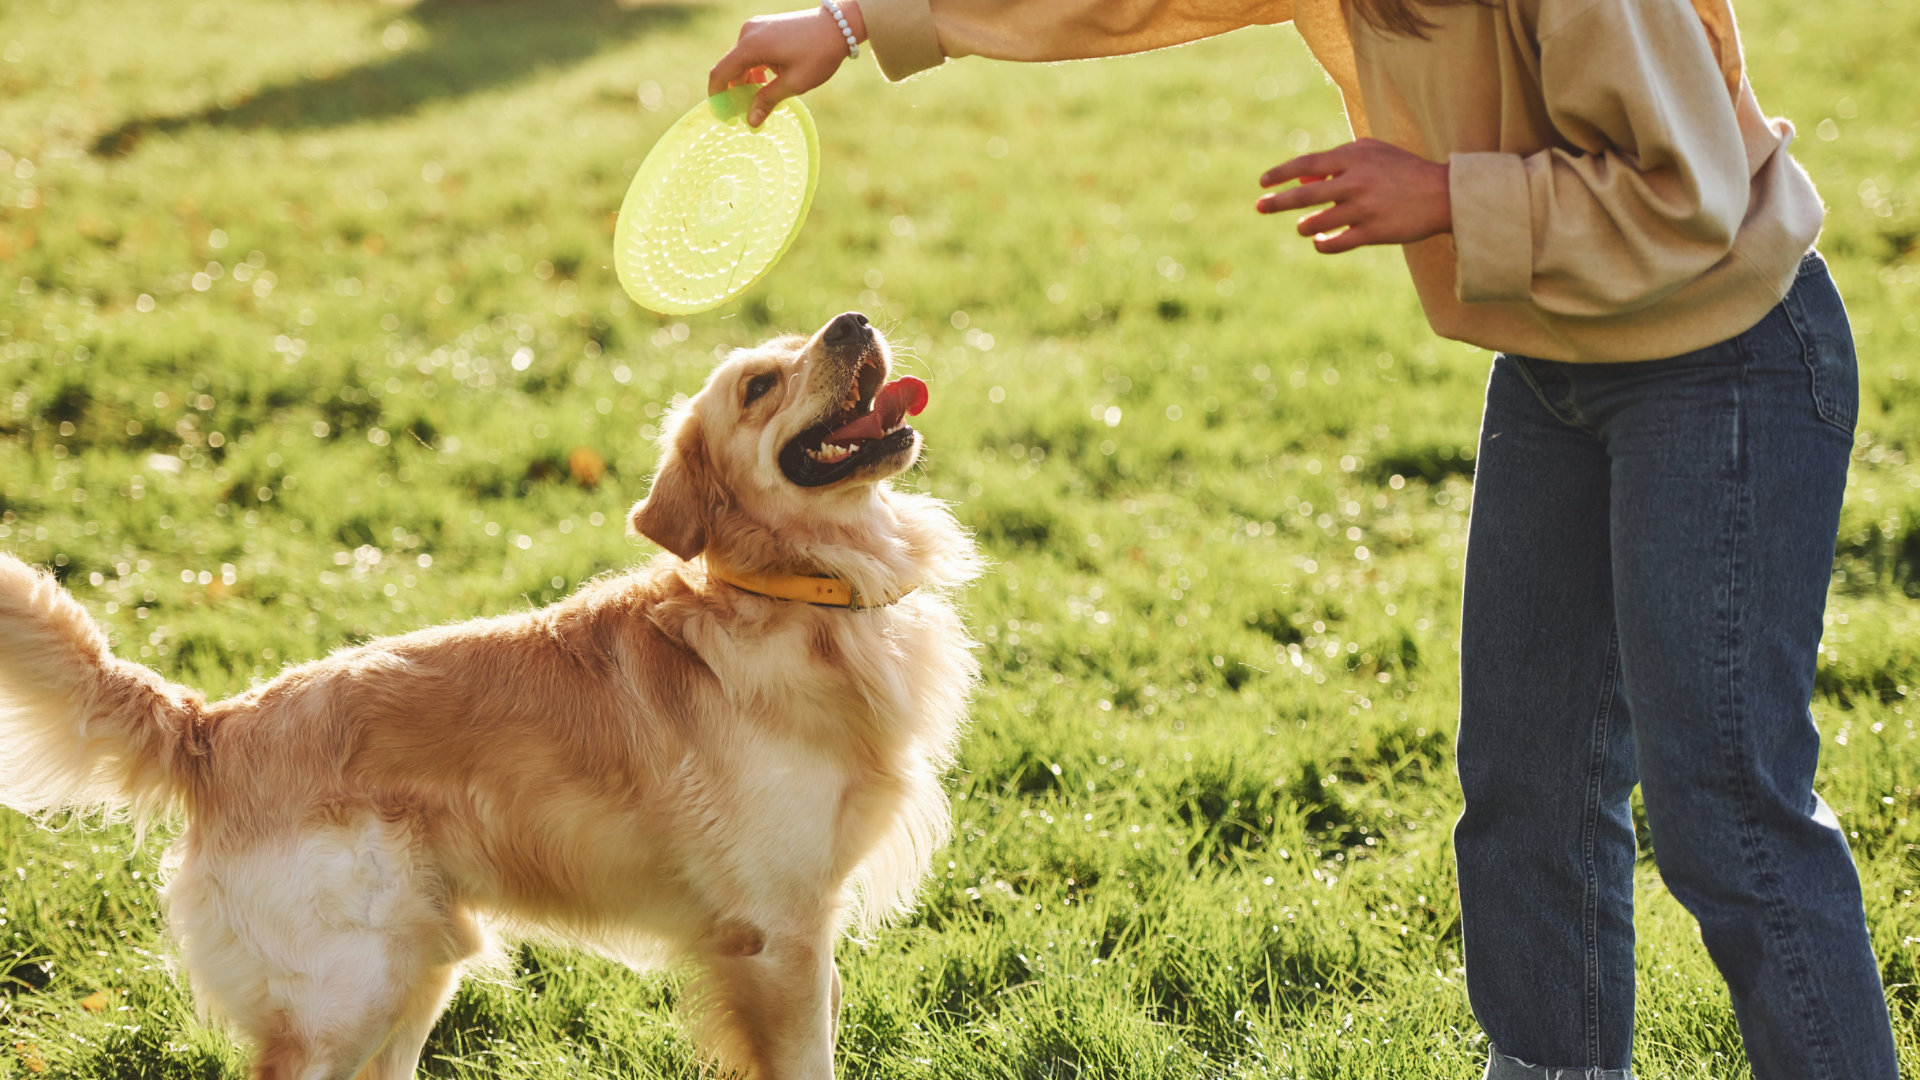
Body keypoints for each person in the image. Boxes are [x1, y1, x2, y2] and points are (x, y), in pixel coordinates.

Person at [705, 0, 1899, 1076]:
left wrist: (1444, 195)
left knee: (1726, 810)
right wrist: (858, 22)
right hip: (1558, 367)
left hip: (1720, 361)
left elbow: (1688, 194)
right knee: (1529, 786)